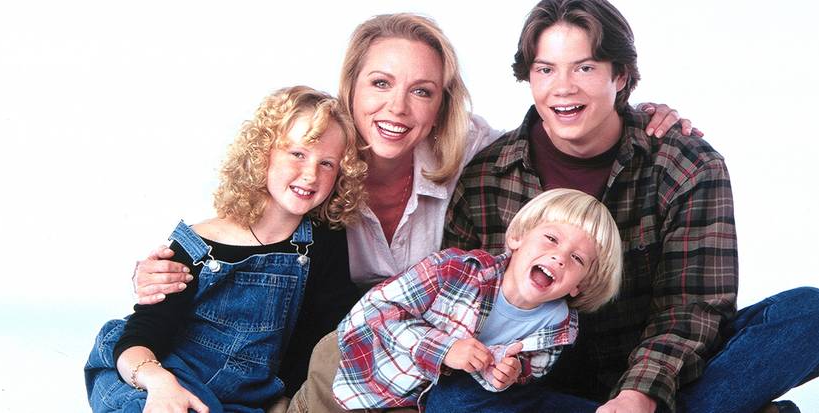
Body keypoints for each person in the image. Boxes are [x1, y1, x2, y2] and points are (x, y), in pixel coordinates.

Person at [130, 12, 700, 413]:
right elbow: (248, 224)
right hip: (343, 357)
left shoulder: (475, 151)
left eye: (422, 91)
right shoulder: (317, 162)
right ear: (351, 87)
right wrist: (174, 265)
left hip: (444, 364)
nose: (397, 108)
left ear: (442, 104)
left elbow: (557, 129)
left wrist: (631, 111)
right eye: (380, 83)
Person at [443, 1, 819, 412]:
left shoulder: (686, 164)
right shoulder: (486, 177)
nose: (563, 87)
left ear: (620, 75)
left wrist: (640, 392)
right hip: (535, 381)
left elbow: (693, 307)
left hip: (663, 372)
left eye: (584, 68)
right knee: (452, 400)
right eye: (546, 69)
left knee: (809, 314)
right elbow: (451, 302)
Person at [84, 86, 367, 413]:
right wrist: (159, 382)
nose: (311, 174)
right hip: (160, 377)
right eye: (297, 154)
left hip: (240, 401)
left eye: (327, 163)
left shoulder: (323, 244)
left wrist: (283, 401)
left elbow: (319, 339)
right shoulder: (199, 246)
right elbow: (141, 336)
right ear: (262, 153)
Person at [332, 189, 623, 411]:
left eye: (577, 258)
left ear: (579, 285)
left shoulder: (559, 326)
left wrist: (511, 373)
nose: (559, 257)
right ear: (518, 238)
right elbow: (372, 312)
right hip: (384, 385)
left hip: (469, 397)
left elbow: (532, 371)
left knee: (505, 399)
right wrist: (445, 349)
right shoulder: (453, 270)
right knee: (455, 397)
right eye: (551, 239)